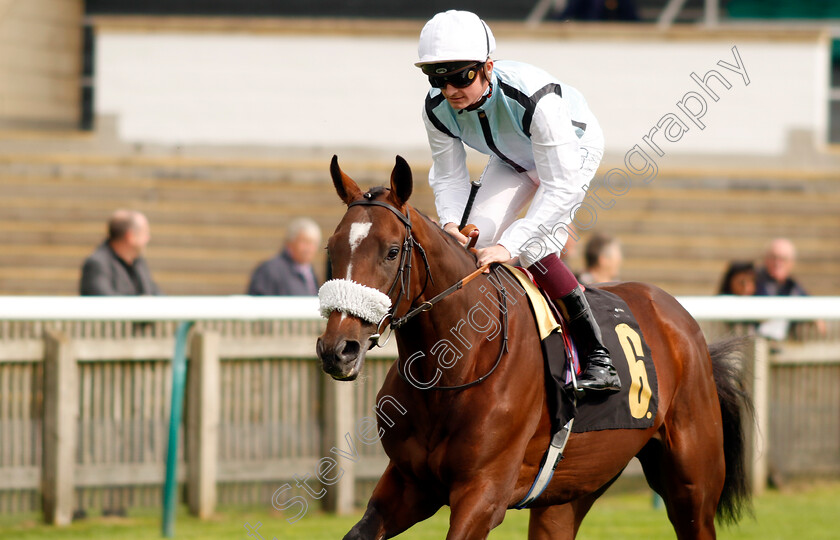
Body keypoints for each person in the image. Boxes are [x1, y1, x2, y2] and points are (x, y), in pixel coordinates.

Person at [417, 10, 619, 392]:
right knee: (468, 244)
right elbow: (448, 175)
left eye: (461, 76)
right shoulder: (436, 108)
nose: (450, 90)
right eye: (438, 79)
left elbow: (560, 185)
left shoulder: (533, 97)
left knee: (535, 250)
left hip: (570, 151)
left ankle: (598, 357)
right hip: (512, 158)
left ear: (488, 67)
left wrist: (510, 246)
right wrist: (448, 225)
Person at [80, 209, 161, 295]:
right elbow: (103, 300)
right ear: (130, 237)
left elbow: (156, 294)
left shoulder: (138, 262)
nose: (148, 238)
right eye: (145, 233)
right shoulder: (97, 264)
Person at [247, 217, 322, 296]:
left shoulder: (309, 272)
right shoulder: (270, 270)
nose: (309, 248)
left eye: (313, 243)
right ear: (290, 242)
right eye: (305, 242)